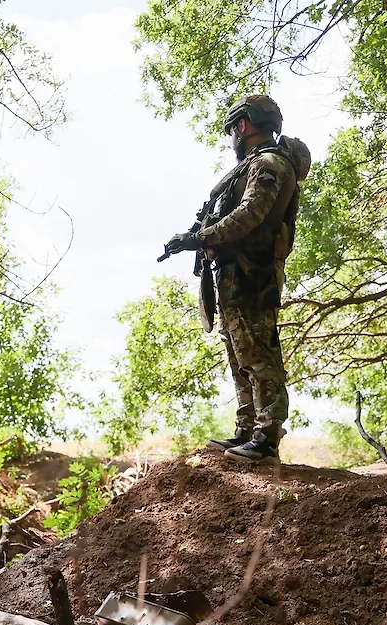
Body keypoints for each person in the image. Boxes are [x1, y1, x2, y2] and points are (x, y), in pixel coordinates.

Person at [162, 94, 309, 462]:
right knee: (239, 353)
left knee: (259, 355)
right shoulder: (251, 166)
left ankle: (267, 436)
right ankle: (247, 428)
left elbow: (250, 215)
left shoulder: (270, 164)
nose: (232, 137)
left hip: (252, 273)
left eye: (232, 130)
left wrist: (199, 238)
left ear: (242, 126)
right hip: (232, 274)